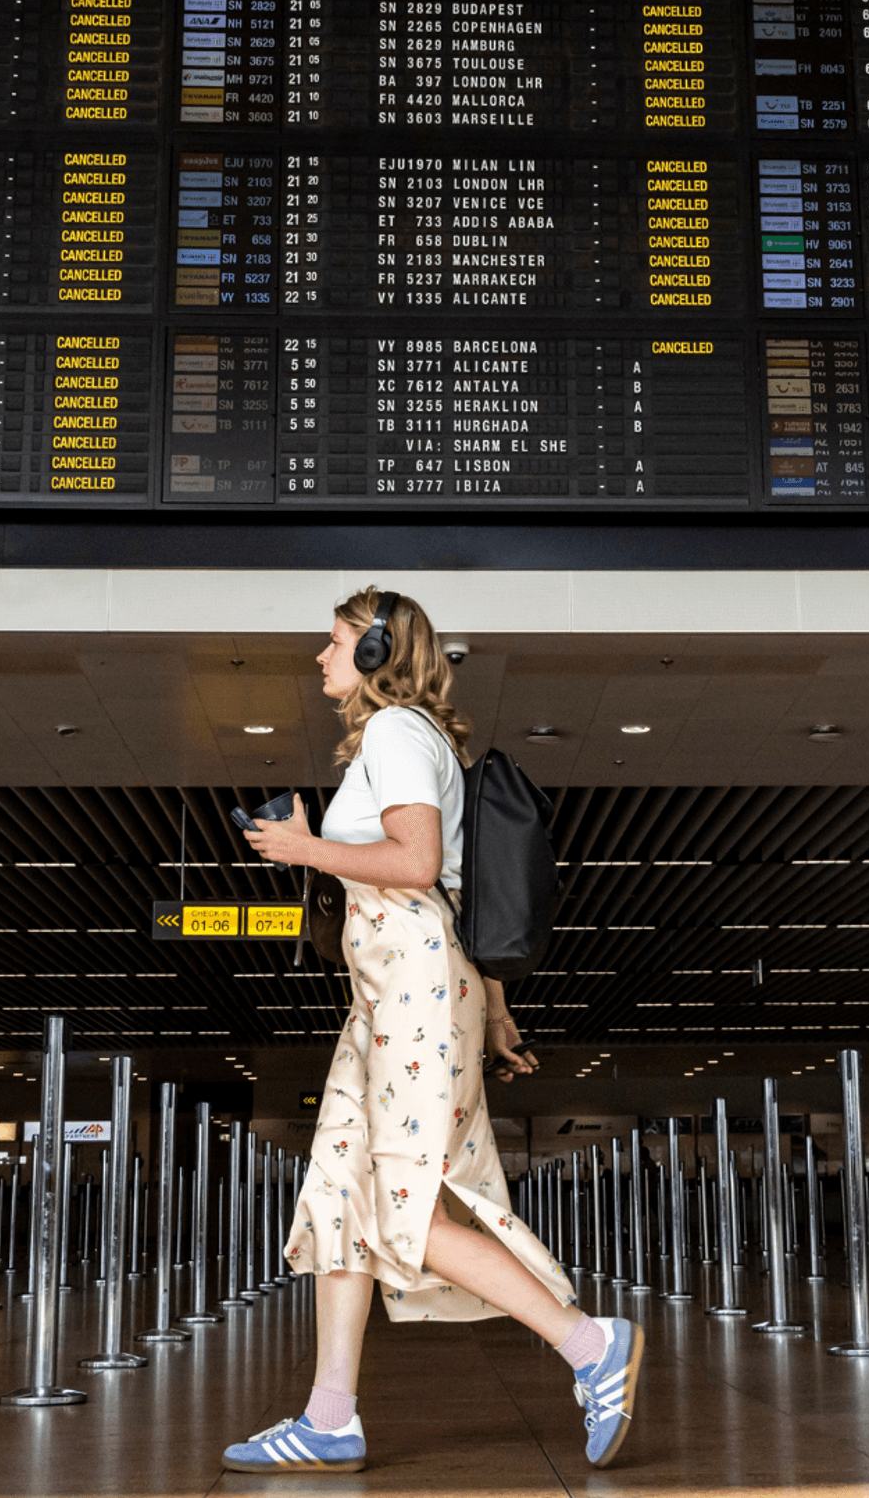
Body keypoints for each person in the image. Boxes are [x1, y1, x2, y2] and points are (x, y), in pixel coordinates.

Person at [221, 587, 642, 1475]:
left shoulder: (395, 734)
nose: (322, 658)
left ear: (376, 653)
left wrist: (305, 850)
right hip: (387, 994)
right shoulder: (404, 741)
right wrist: (493, 1010)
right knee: (342, 1192)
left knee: (405, 1204)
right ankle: (330, 1417)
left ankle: (590, 1343)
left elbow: (415, 863)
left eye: (334, 643)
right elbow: (454, 882)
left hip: (409, 982)